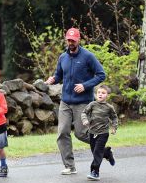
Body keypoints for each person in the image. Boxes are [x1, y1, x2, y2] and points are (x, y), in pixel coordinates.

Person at [45, 27, 114, 175]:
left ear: (78, 40)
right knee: (62, 133)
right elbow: (58, 75)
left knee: (81, 134)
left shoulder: (88, 56)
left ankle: (103, 150)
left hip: (83, 102)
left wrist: (85, 85)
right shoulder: (63, 57)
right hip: (65, 102)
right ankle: (70, 166)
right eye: (68, 40)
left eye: (73, 40)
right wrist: (53, 79)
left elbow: (101, 75)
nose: (70, 42)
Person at [81, 85, 118, 181]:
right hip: (92, 133)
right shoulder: (92, 104)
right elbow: (84, 113)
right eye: (99, 93)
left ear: (107, 96)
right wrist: (85, 120)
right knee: (96, 152)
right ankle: (108, 153)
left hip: (103, 133)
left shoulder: (109, 107)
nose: (100, 94)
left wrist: (114, 127)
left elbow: (114, 117)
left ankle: (95, 172)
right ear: (96, 94)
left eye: (103, 93)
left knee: (97, 152)